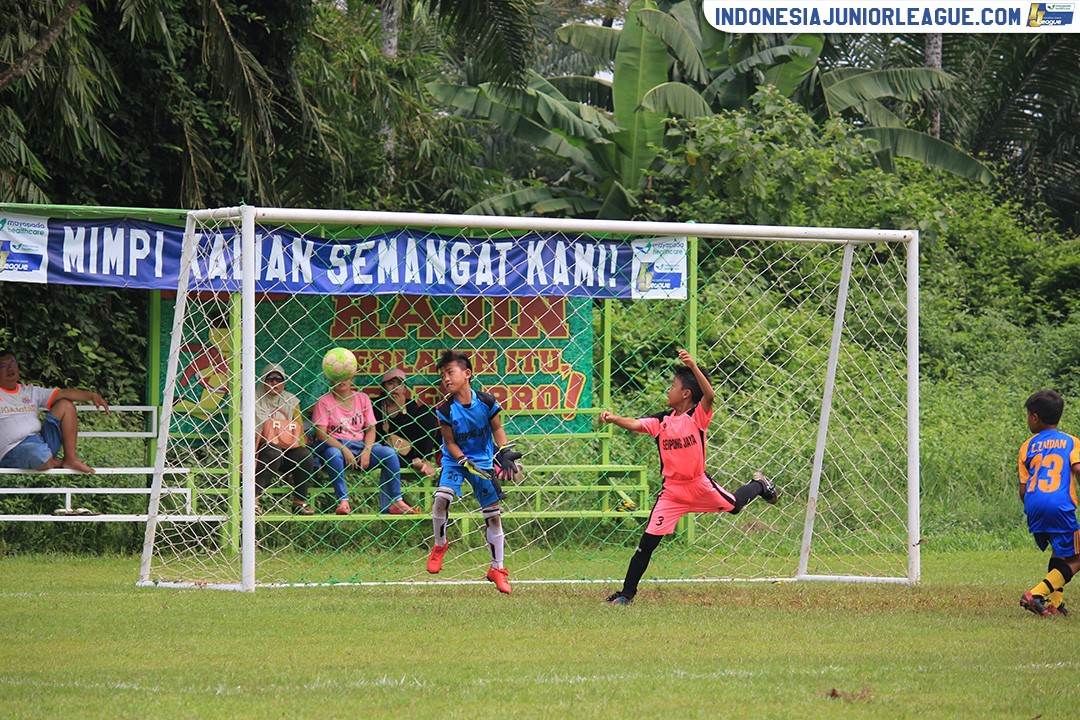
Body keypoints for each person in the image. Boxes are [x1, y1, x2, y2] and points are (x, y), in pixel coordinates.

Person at [599, 349, 779, 605]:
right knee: (647, 543)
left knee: (735, 506)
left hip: (698, 484)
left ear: (685, 394)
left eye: (672, 386)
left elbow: (710, 395)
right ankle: (626, 594)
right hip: (672, 492)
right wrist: (615, 419)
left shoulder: (697, 417)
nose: (668, 390)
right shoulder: (661, 421)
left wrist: (693, 366)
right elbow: (637, 424)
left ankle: (760, 485)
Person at [426, 350, 522, 594]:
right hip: (455, 461)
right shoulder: (446, 410)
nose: (445, 379)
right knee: (441, 499)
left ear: (467, 374)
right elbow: (449, 443)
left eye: (450, 372)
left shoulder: (487, 402)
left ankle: (497, 569)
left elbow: (498, 428)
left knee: (493, 516)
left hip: (483, 463)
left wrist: (505, 450)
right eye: (442, 375)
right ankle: (440, 544)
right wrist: (462, 460)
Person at [311, 372, 417, 516]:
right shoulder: (324, 402)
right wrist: (343, 449)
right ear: (330, 380)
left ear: (352, 379)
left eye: (345, 376)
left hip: (359, 446)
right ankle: (343, 501)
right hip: (336, 446)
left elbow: (371, 429)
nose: (341, 380)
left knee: (389, 453)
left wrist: (367, 451)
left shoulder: (362, 398)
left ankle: (397, 501)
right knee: (332, 454)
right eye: (337, 377)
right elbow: (321, 434)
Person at [1017, 389, 1080, 617]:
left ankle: (1055, 603)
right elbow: (1078, 469)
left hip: (1034, 504)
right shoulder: (1071, 442)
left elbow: (1023, 488)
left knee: (1060, 551)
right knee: (1077, 555)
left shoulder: (1026, 446)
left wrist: (1033, 507)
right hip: (1059, 505)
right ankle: (1034, 594)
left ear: (1035, 417)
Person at [0, 351, 109, 474]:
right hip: (12, 450)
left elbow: (62, 393)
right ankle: (54, 461)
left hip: (40, 442)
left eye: (13, 363)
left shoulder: (29, 391)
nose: (10, 368)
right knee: (38, 454)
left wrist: (91, 395)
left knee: (66, 405)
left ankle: (70, 459)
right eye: (4, 366)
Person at [254, 363, 315, 516]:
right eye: (270, 379)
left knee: (304, 455)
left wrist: (298, 444)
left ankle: (299, 502)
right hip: (260, 445)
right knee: (273, 452)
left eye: (279, 379)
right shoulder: (253, 397)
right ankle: (253, 501)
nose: (275, 383)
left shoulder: (290, 400)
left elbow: (299, 428)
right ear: (263, 380)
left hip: (287, 445)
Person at [375, 368, 440, 479]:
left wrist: (401, 410)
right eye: (391, 384)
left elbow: (412, 432)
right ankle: (413, 463)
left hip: (410, 449)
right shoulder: (376, 405)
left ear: (404, 389)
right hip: (384, 449)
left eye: (399, 384)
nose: (395, 388)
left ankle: (424, 459)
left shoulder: (410, 405)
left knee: (427, 411)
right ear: (383, 387)